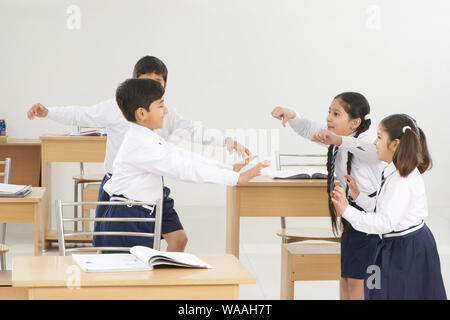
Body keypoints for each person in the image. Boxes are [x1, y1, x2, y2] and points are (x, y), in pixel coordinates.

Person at [27, 56, 251, 251]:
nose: (152, 89)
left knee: (177, 239)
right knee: (109, 247)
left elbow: (190, 136)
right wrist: (49, 112)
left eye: (158, 83)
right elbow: (82, 115)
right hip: (122, 188)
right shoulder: (121, 112)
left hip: (151, 186)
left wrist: (225, 147)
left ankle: (160, 283)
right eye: (146, 82)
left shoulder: (161, 113)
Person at [95, 78, 269, 251]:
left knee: (144, 271)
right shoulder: (141, 144)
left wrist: (227, 169)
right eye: (160, 105)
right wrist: (236, 178)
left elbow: (183, 156)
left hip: (138, 213)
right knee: (132, 276)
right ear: (142, 114)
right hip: (127, 219)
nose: (166, 110)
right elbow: (183, 169)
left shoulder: (146, 137)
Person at [271, 92, 384, 300]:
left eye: (336, 113)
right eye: (329, 112)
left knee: (360, 282)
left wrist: (339, 140)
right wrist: (292, 115)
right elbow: (311, 129)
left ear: (355, 123)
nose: (328, 118)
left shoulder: (368, 141)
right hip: (350, 217)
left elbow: (371, 152)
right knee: (347, 278)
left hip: (369, 219)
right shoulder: (337, 140)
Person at [332, 113, 447, 300]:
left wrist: (347, 211)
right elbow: (383, 207)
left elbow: (385, 222)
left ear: (394, 144)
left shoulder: (401, 180)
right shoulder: (393, 172)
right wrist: (358, 197)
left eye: (379, 137)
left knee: (399, 293)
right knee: (380, 290)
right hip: (397, 244)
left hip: (407, 248)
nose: (375, 143)